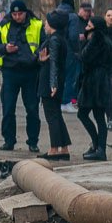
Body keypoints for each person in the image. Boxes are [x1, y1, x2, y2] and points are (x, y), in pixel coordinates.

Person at [0, 0, 44, 153]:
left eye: (20, 14)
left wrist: (35, 57)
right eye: (14, 14)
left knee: (32, 109)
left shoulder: (37, 24)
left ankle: (33, 141)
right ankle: (9, 140)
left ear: (25, 13)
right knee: (8, 108)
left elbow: (44, 44)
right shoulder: (5, 25)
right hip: (10, 71)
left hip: (31, 72)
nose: (17, 17)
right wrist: (5, 48)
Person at [77, 15, 112, 161]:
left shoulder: (97, 40)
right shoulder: (104, 40)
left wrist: (85, 42)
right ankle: (98, 147)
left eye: (89, 25)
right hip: (99, 81)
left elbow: (84, 57)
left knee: (85, 114)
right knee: (98, 116)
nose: (86, 27)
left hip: (95, 83)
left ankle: (99, 147)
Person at [38, 10, 72, 160]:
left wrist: (53, 84)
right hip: (57, 81)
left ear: (52, 24)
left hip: (50, 83)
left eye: (47, 21)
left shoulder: (54, 40)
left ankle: (54, 149)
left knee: (51, 116)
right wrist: (42, 59)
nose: (45, 24)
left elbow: (54, 64)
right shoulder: (59, 38)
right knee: (57, 114)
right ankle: (63, 148)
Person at [62, 0, 92, 112]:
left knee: (77, 79)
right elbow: (73, 37)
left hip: (82, 54)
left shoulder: (87, 21)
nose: (87, 13)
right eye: (85, 11)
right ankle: (67, 101)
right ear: (80, 10)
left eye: (89, 11)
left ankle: (73, 100)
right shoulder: (74, 19)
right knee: (72, 79)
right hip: (75, 54)